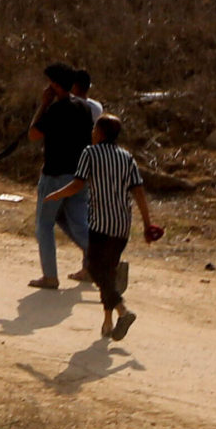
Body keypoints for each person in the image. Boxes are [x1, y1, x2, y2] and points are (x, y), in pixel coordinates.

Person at [43, 115, 158, 339]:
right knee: (108, 272)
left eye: (95, 129)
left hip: (101, 224)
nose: (92, 133)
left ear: (102, 133)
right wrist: (147, 224)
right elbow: (139, 193)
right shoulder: (127, 158)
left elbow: (77, 184)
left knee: (96, 270)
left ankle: (123, 310)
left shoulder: (90, 153)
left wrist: (55, 195)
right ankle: (107, 322)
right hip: (122, 225)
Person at [28, 62, 94, 289]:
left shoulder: (55, 110)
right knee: (78, 223)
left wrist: (43, 104)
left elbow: (33, 134)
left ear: (55, 85)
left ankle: (50, 276)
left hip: (55, 175)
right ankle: (107, 260)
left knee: (44, 225)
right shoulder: (84, 108)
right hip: (79, 174)